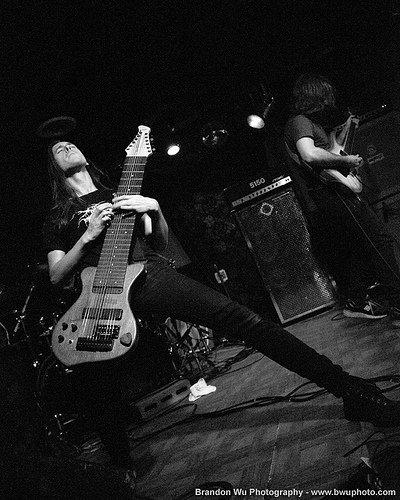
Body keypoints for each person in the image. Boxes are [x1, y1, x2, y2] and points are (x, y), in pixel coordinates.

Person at [43, 137, 400, 493]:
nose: (66, 147)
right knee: (93, 375)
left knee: (245, 322)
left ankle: (352, 390)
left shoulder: (120, 194)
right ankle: (120, 467)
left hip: (147, 274)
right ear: (52, 167)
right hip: (99, 295)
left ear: (87, 155)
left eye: (71, 143)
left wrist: (155, 208)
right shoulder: (58, 217)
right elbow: (57, 275)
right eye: (57, 148)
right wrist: (87, 236)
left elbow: (159, 243)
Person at [284, 73, 400, 320]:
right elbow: (309, 154)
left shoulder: (311, 124)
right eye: (326, 95)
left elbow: (330, 149)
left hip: (336, 191)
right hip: (332, 193)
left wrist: (345, 134)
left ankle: (362, 299)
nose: (330, 101)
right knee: (378, 241)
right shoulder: (299, 122)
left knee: (362, 247)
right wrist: (346, 161)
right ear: (316, 95)